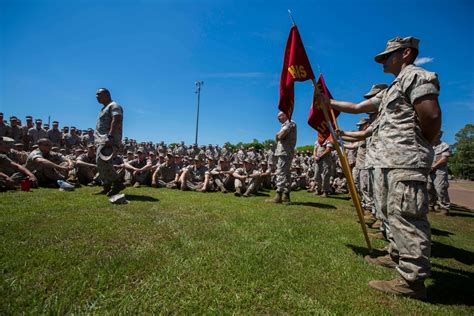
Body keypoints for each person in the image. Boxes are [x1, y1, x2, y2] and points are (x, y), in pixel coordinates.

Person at [322, 36, 441, 299]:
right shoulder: (390, 90)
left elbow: (431, 117)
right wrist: (328, 103)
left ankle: (412, 281)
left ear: (406, 53)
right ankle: (396, 255)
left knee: (407, 217)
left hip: (405, 161)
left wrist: (418, 146)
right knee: (390, 213)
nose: (383, 61)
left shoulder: (417, 77)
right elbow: (357, 107)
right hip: (387, 163)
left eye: (388, 56)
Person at [94, 88, 125, 196]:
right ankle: (106, 186)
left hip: (109, 139)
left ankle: (117, 183)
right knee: (100, 163)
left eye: (99, 94)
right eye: (96, 95)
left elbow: (117, 119)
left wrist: (110, 136)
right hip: (101, 139)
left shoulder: (114, 105)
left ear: (107, 94)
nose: (96, 96)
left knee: (103, 161)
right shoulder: (103, 108)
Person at [266, 111, 297, 203]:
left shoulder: (290, 123)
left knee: (281, 173)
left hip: (285, 152)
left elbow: (280, 136)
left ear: (285, 115)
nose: (278, 118)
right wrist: (278, 136)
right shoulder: (286, 124)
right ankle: (286, 196)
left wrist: (277, 135)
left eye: (279, 116)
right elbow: (279, 136)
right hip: (285, 152)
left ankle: (278, 196)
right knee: (286, 174)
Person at [428, 131, 451, 215]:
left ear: (440, 135)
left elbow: (444, 159)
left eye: (437, 135)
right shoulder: (428, 145)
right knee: (428, 188)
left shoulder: (444, 145)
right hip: (429, 171)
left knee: (440, 189)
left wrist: (433, 167)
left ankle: (444, 208)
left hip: (439, 171)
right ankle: (431, 205)